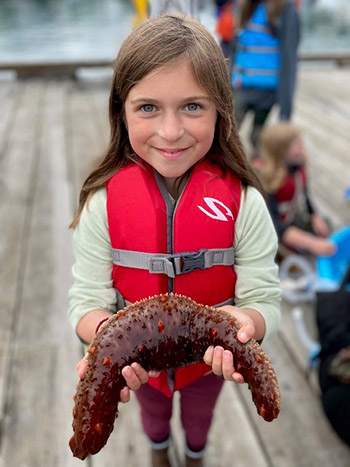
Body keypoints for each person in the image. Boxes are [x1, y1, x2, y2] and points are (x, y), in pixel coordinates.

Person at [69, 14, 280, 467]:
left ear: (221, 109)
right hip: (136, 363)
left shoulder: (246, 204)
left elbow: (264, 298)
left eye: (192, 106)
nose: (170, 132)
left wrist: (246, 324)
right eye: (148, 107)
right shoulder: (102, 205)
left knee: (201, 414)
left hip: (211, 360)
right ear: (121, 111)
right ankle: (159, 451)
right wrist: (107, 336)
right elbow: (86, 300)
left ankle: (196, 455)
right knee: (152, 413)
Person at [258, 122, 335, 257]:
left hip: (292, 218)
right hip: (273, 231)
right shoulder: (267, 181)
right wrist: (312, 243)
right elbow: (274, 225)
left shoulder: (297, 168)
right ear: (280, 151)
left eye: (301, 144)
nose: (302, 149)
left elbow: (305, 196)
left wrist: (314, 215)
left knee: (327, 225)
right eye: (297, 146)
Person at [232, 0, 300, 153]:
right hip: (241, 86)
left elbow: (289, 59)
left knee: (257, 139)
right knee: (228, 135)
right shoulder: (247, 7)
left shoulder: (284, 10)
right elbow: (236, 50)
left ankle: (260, 173)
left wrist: (285, 111)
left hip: (266, 92)